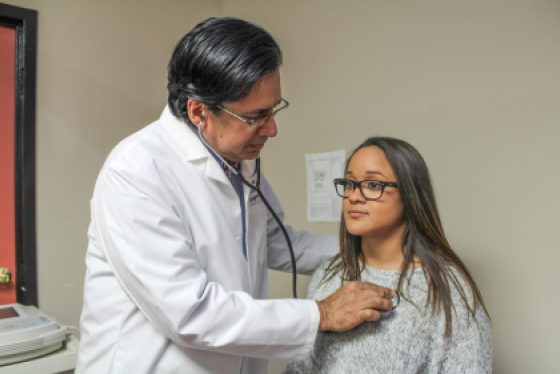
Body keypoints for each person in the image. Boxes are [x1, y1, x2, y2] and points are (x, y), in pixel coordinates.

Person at [76, 18, 395, 374]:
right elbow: (190, 313)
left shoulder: (238, 162)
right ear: (199, 112)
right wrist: (322, 313)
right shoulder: (136, 171)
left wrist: (375, 248)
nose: (272, 129)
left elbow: (276, 243)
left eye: (275, 109)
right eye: (256, 116)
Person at [286, 137, 492, 374]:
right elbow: (300, 369)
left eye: (373, 185)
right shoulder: (328, 275)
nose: (354, 195)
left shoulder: (447, 291)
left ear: (410, 195)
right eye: (350, 183)